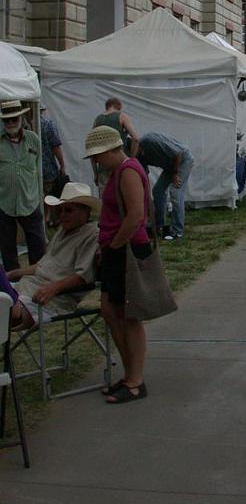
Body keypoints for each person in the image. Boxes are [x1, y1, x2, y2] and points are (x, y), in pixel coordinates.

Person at [84, 125, 151, 404]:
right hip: (115, 248)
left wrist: (113, 245)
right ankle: (129, 373)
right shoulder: (118, 171)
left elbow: (136, 215)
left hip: (126, 248)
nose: (96, 161)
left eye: (99, 155)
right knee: (110, 310)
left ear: (113, 149)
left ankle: (135, 379)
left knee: (128, 315)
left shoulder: (127, 170)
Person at [8, 182, 100, 330]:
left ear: (86, 211)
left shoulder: (92, 236)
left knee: (6, 311)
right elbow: (43, 266)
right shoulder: (62, 232)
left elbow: (83, 276)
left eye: (68, 210)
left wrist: (53, 288)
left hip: (53, 298)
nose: (62, 215)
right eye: (60, 211)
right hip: (28, 287)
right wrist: (11, 274)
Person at [0, 100, 46, 273]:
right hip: (5, 202)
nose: (11, 123)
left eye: (14, 119)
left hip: (30, 200)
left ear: (21, 118)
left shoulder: (33, 140)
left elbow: (36, 164)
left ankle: (39, 278)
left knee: (37, 245)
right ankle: (13, 282)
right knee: (7, 246)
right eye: (7, 120)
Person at [137, 132, 194, 241]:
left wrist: (175, 173)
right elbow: (143, 176)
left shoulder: (149, 141)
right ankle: (159, 226)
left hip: (183, 159)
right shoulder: (137, 157)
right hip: (170, 165)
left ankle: (178, 231)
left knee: (175, 192)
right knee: (157, 191)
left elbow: (177, 153)